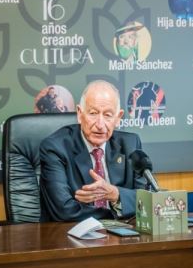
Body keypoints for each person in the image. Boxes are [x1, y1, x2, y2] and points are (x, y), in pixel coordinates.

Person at [40, 80, 146, 222]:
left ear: (118, 118)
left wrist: (115, 194)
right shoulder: (55, 148)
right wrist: (115, 214)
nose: (100, 124)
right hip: (70, 237)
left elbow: (149, 199)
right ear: (79, 113)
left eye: (108, 115)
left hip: (124, 237)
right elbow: (64, 210)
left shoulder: (130, 144)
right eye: (93, 113)